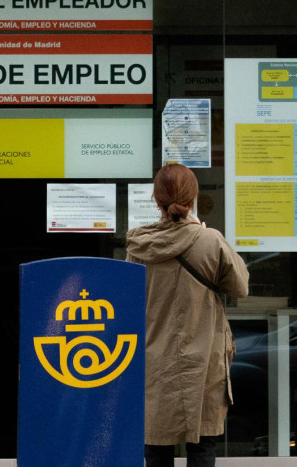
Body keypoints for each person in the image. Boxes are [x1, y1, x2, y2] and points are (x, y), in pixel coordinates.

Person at [125, 164, 250, 467]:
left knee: (156, 448)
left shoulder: (140, 246)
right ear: (193, 199)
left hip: (154, 360)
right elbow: (241, 287)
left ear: (156, 201)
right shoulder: (210, 241)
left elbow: (130, 301)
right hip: (204, 360)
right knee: (202, 446)